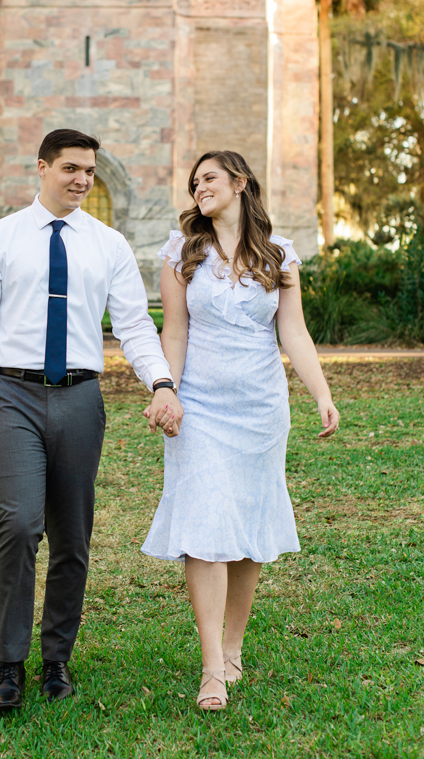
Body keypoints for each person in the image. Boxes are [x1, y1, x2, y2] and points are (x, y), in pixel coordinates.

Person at [0, 128, 183, 713]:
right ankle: (9, 663)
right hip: (14, 397)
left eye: (90, 172)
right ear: (43, 167)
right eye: (71, 168)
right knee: (20, 525)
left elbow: (133, 325)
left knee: (72, 536)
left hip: (81, 399)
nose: (82, 179)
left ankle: (56, 660)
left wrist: (161, 381)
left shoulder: (109, 245)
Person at [141, 150, 339, 711]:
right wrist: (167, 389)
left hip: (260, 408)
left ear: (240, 183)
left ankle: (233, 649)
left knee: (247, 527)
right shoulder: (181, 252)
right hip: (199, 407)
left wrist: (321, 395)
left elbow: (294, 335)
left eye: (209, 179)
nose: (198, 188)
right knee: (206, 525)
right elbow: (174, 332)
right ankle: (210, 670)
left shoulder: (280, 256)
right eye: (193, 182)